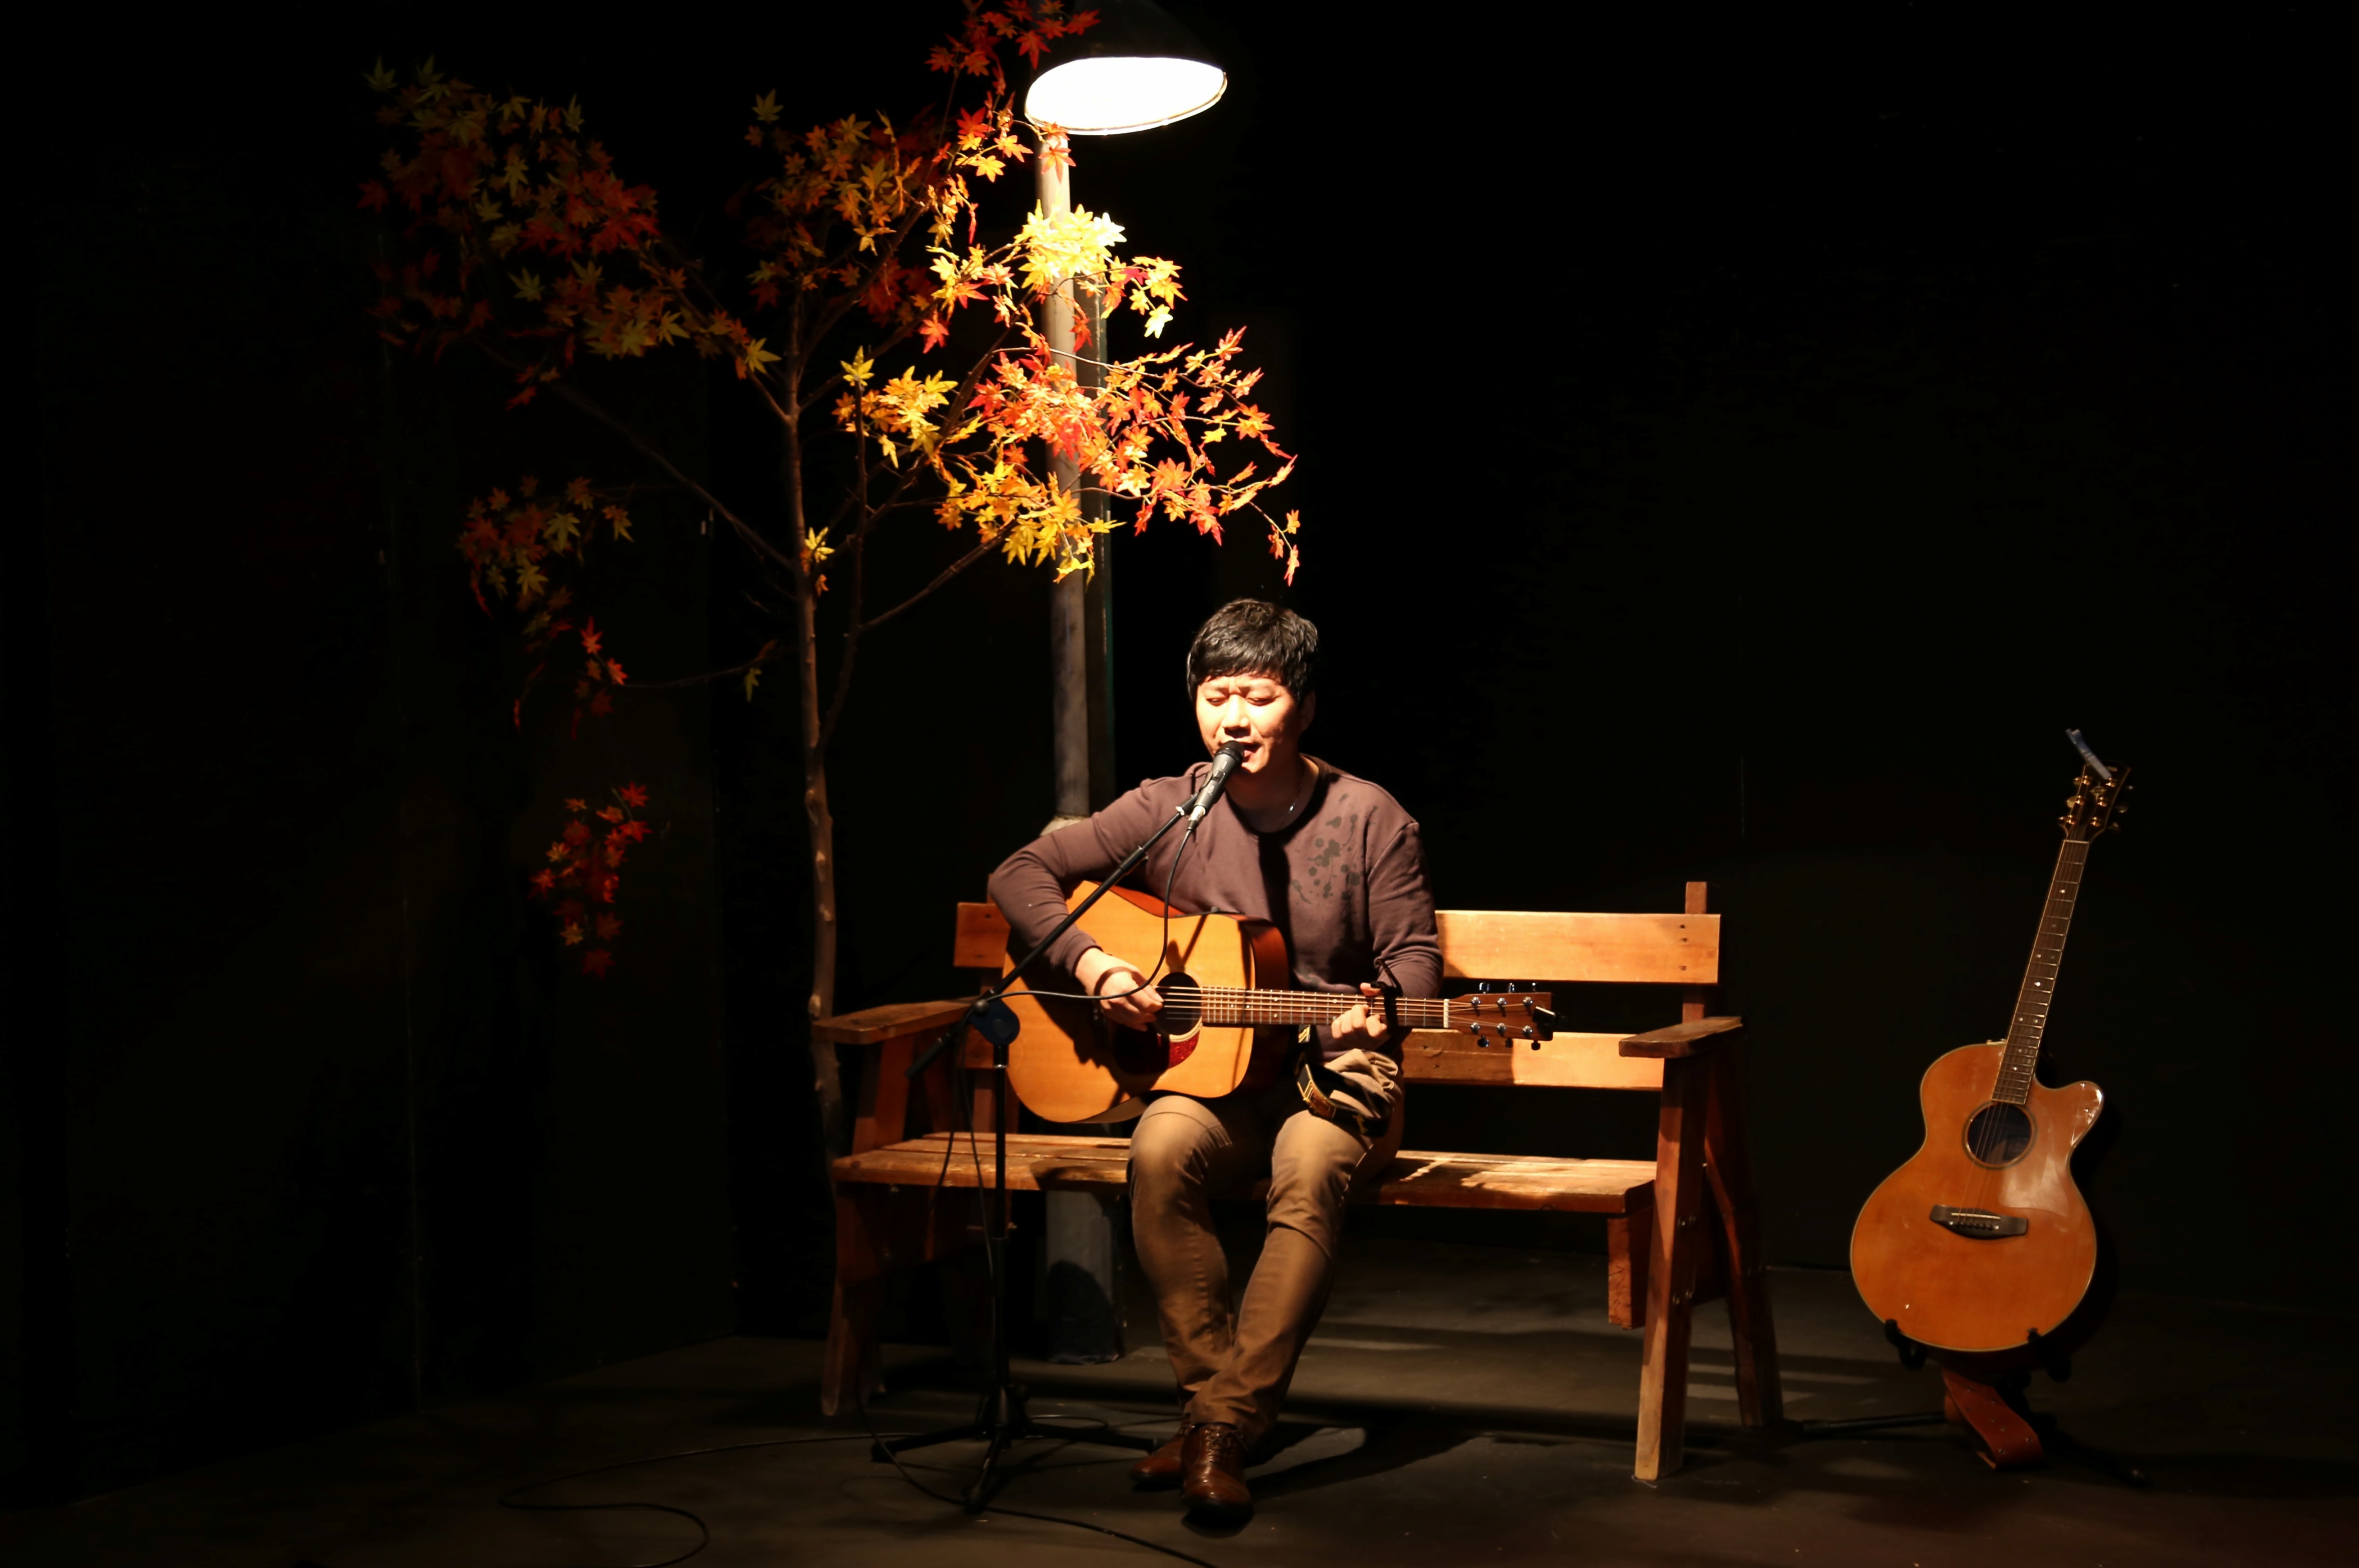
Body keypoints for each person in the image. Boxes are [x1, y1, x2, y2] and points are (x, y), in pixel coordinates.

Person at [987, 599, 1441, 1519]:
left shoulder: (1371, 817)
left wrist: (1383, 1009)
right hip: (1216, 1075)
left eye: (1259, 697)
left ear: (1304, 707)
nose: (1235, 718)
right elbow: (1018, 874)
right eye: (1216, 695)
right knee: (1158, 1153)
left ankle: (1222, 1425)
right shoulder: (1169, 808)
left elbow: (1414, 961)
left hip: (1334, 1070)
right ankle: (1215, 1415)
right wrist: (1097, 964)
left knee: (1307, 1171)